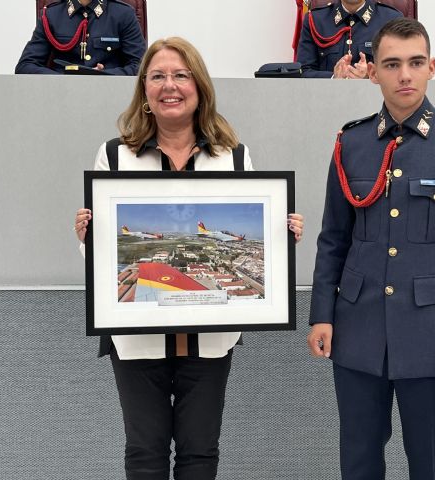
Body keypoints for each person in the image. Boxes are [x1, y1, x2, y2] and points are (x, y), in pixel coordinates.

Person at [73, 37, 304, 479]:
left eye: (181, 75)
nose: (169, 85)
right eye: (157, 76)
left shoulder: (234, 156)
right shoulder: (114, 154)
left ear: (199, 87)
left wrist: (281, 237)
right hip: (135, 335)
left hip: (212, 338)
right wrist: (87, 237)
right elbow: (98, 254)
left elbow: (260, 237)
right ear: (144, 89)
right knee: (145, 452)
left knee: (200, 452)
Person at [307, 18, 435, 480]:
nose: (405, 75)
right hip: (357, 332)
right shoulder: (350, 143)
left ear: (432, 67)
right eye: (392, 64)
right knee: (358, 462)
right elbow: (334, 237)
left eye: (415, 63)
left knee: (433, 464)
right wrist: (322, 313)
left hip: (433, 336)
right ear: (372, 71)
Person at [15, 0, 146, 75]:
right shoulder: (51, 15)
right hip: (61, 96)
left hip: (109, 96)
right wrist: (62, 78)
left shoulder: (123, 14)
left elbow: (142, 67)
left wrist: (103, 76)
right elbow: (25, 66)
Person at [296, 0, 401, 78]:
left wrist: (370, 76)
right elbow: (302, 71)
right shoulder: (315, 19)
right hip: (327, 100)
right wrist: (333, 77)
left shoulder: (391, 19)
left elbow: (399, 69)